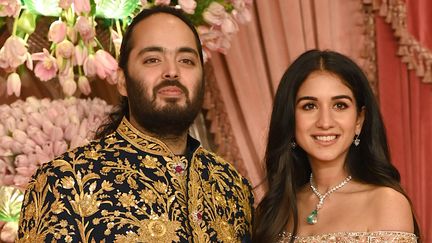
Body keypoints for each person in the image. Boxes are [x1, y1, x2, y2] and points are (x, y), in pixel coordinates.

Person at [17, 6, 253, 242]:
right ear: (122, 81)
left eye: (186, 60)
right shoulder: (64, 182)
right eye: (152, 59)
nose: (172, 71)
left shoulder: (230, 184)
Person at [253, 50, 420, 242]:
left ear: (359, 119)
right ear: (290, 120)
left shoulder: (386, 202)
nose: (325, 122)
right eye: (309, 106)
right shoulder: (277, 209)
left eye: (340, 105)